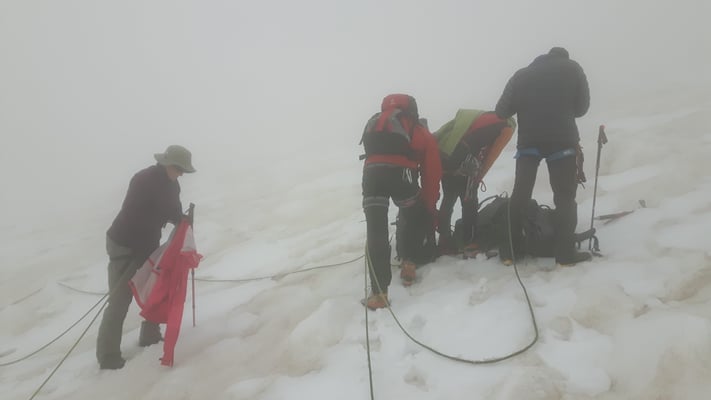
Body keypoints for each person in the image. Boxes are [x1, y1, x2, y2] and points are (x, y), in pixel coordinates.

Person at [96, 145, 196, 369]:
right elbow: (134, 217)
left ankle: (149, 335)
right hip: (124, 245)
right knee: (120, 300)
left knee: (155, 288)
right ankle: (107, 356)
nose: (181, 174)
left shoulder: (172, 185)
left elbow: (172, 212)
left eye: (183, 171)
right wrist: (138, 253)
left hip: (146, 245)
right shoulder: (143, 181)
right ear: (167, 164)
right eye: (179, 169)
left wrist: (183, 221)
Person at [495, 46, 592, 266]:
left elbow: (501, 111)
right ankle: (565, 255)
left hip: (529, 142)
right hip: (562, 141)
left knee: (520, 194)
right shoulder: (573, 68)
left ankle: (510, 252)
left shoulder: (521, 75)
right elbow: (582, 108)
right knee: (564, 197)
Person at [360, 94, 441, 310]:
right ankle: (409, 264)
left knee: (376, 230)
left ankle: (379, 294)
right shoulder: (419, 131)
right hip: (401, 176)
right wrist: (429, 205)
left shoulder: (377, 124)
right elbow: (431, 173)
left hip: (372, 175)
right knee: (412, 214)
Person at [434, 109, 516, 256]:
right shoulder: (507, 126)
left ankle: (444, 241)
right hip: (464, 163)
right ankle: (470, 243)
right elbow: (492, 155)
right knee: (469, 203)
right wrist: (479, 177)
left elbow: (442, 132)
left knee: (448, 199)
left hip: (445, 158)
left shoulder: (474, 118)